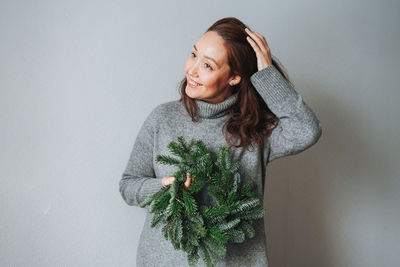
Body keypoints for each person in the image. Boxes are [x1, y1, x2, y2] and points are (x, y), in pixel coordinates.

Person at [119, 17, 322, 267]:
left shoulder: (255, 131)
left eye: (207, 65)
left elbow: (306, 130)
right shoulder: (162, 118)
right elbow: (128, 186)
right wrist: (165, 187)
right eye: (194, 55)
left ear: (234, 77)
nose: (191, 70)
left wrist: (266, 74)